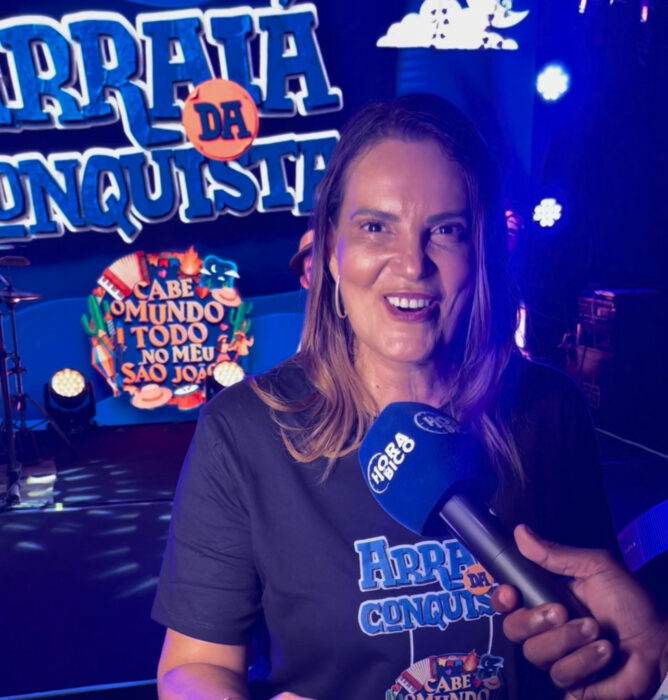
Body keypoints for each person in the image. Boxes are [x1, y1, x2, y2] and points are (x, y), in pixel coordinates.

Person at [152, 94, 667, 700]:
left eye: (446, 231)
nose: (411, 265)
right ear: (331, 253)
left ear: (480, 254)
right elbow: (193, 667)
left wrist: (652, 668)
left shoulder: (550, 408)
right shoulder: (243, 432)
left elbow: (605, 630)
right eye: (376, 227)